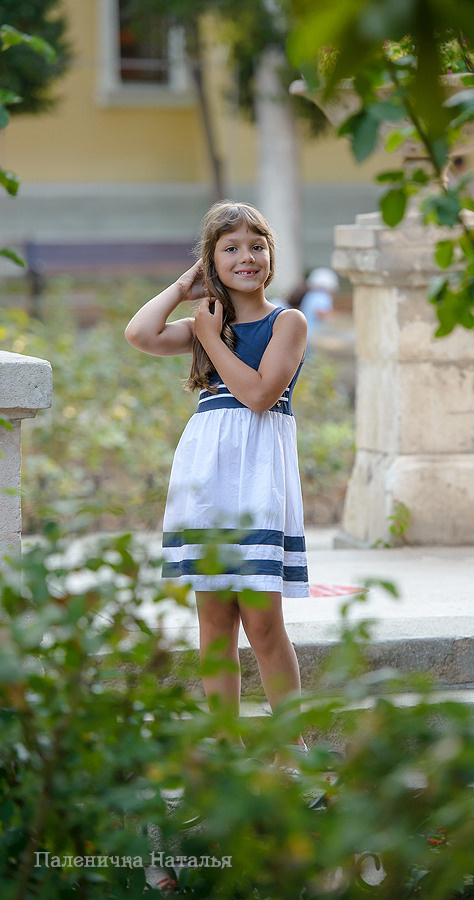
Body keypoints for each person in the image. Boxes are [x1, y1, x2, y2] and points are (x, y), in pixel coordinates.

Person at [124, 201, 309, 757]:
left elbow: (257, 395)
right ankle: (228, 750)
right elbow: (139, 333)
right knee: (214, 625)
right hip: (207, 480)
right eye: (229, 248)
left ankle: (292, 747)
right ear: (211, 260)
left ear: (271, 254)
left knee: (263, 622)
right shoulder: (204, 322)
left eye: (256, 244)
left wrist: (210, 337)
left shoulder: (287, 323)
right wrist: (185, 287)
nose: (245, 256)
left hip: (257, 481)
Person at [299, 267, 339, 349]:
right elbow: (321, 313)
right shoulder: (323, 296)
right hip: (315, 337)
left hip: (305, 335)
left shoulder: (309, 295)